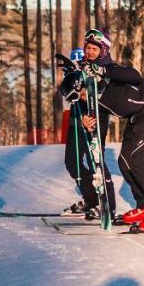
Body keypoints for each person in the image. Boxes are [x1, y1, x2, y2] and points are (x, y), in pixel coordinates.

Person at [76, 28, 144, 232]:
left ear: (103, 51)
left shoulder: (110, 70)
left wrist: (103, 71)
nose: (90, 52)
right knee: (125, 161)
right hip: (137, 117)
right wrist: (88, 123)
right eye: (87, 48)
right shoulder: (91, 83)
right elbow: (100, 118)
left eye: (94, 49)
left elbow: (133, 75)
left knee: (139, 162)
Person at [57, 46, 117, 222]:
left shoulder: (100, 65)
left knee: (96, 162)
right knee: (72, 162)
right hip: (77, 120)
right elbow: (70, 94)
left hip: (95, 119)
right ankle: (90, 201)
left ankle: (107, 206)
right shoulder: (78, 64)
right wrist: (71, 76)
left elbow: (102, 91)